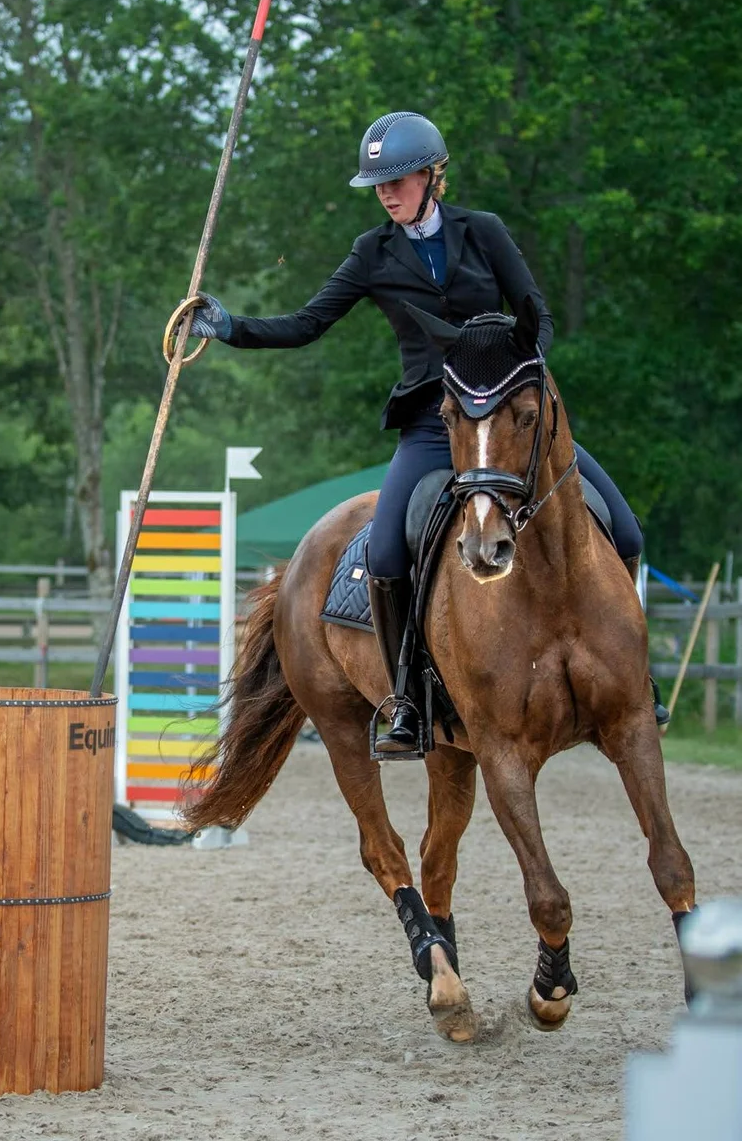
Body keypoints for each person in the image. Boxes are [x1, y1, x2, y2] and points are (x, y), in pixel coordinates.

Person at [188, 110, 664, 755]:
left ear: (432, 176)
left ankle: (633, 679)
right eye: (378, 185)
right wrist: (229, 327)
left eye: (397, 181)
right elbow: (307, 323)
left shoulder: (483, 232)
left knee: (626, 530)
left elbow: (539, 317)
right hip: (432, 427)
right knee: (386, 552)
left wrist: (518, 379)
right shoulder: (372, 252)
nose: (386, 194)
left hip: (509, 424)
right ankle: (408, 702)